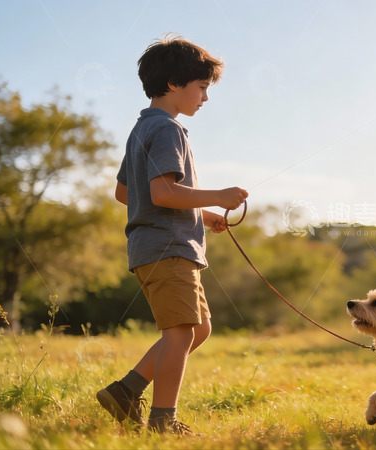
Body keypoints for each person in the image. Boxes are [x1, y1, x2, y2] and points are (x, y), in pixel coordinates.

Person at [96, 35, 248, 435]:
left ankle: (125, 391)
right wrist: (220, 195)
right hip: (168, 249)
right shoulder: (168, 131)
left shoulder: (142, 127)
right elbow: (163, 192)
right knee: (181, 332)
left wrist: (203, 212)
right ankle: (164, 420)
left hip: (158, 247)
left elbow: (126, 193)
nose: (205, 98)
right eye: (201, 88)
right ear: (174, 84)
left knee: (198, 328)